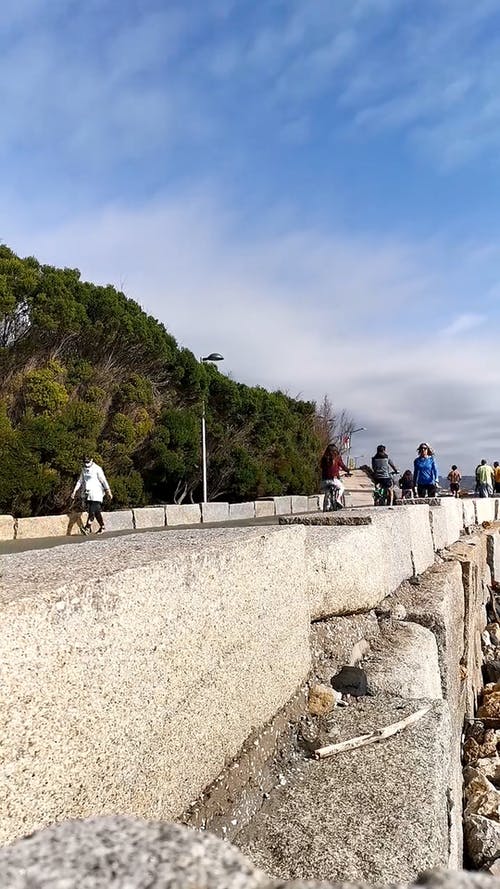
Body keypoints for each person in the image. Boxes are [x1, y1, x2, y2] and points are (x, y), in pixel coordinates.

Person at [71, 456, 113, 534]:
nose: (86, 464)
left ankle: (87, 527)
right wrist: (74, 491)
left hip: (97, 493)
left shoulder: (97, 468)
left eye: (88, 462)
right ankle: (102, 527)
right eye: (85, 462)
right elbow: (80, 481)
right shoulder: (83, 469)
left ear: (92, 460)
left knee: (92, 510)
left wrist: (108, 490)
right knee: (96, 512)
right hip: (88, 493)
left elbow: (103, 480)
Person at [320, 444, 350, 511]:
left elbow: (321, 467)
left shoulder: (324, 458)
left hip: (324, 480)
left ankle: (327, 503)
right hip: (334, 479)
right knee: (342, 488)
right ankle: (338, 499)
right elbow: (343, 466)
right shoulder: (337, 458)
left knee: (326, 490)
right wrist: (348, 470)